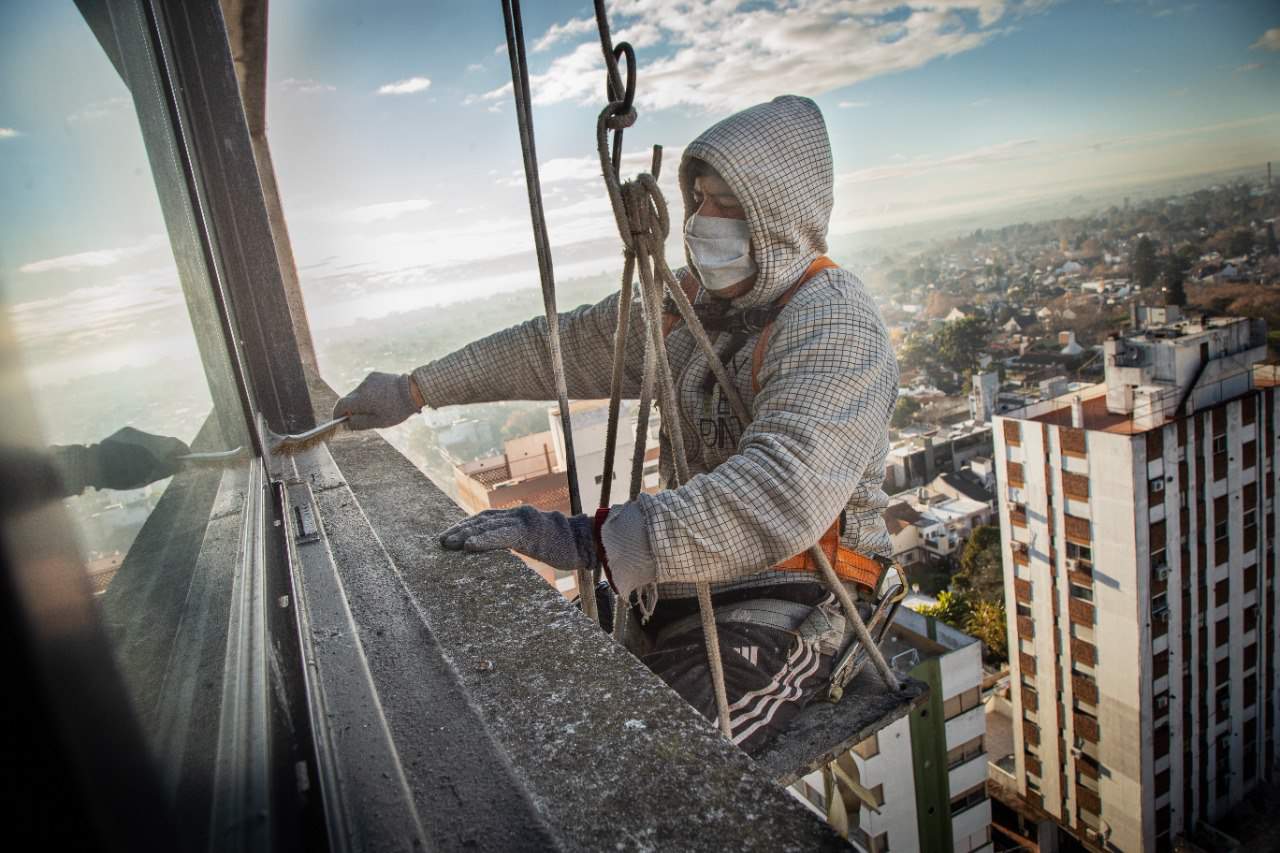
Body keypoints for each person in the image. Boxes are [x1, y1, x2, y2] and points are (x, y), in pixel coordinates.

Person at [334, 95, 898, 753]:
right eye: (700, 200)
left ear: (778, 216)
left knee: (655, 762)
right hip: (685, 588)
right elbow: (561, 348)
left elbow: (778, 495)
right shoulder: (687, 307)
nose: (702, 222)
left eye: (727, 205)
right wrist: (416, 387)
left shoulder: (832, 324)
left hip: (798, 602)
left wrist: (589, 539)